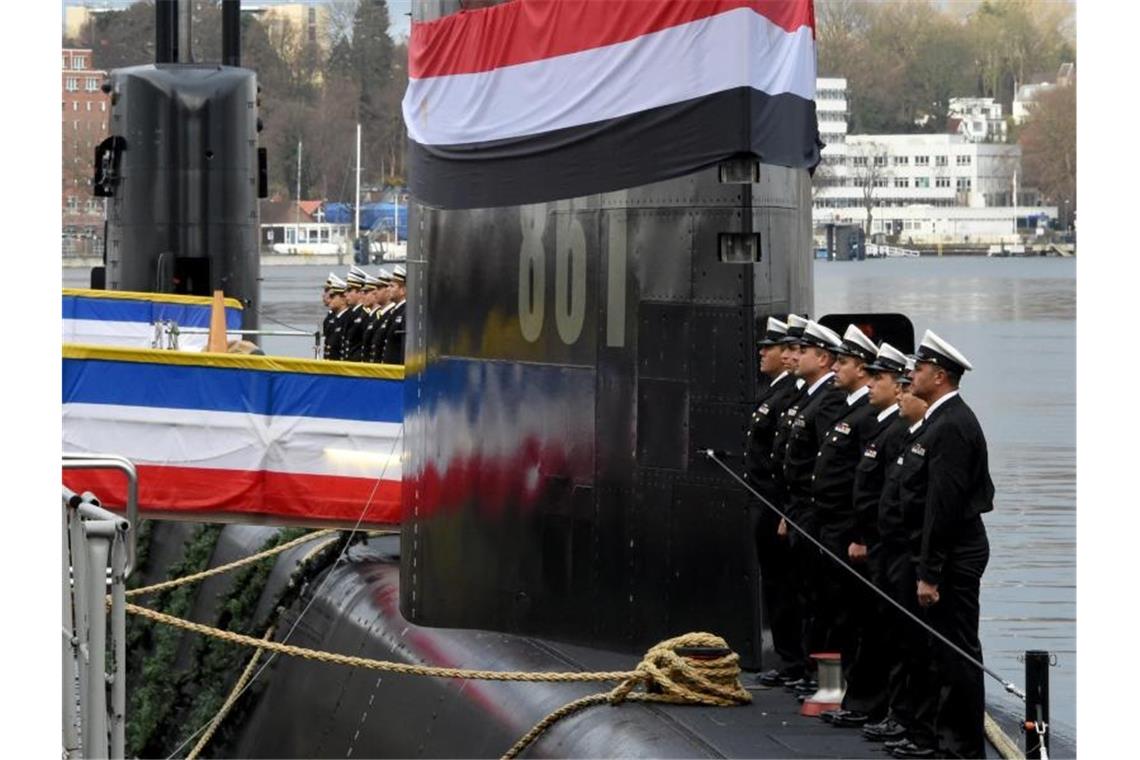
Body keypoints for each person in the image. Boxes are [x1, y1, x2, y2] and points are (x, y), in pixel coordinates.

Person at [889, 330, 993, 760]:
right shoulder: (937, 420)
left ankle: (960, 747)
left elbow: (942, 506)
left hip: (953, 555)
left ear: (941, 376)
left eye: (919, 368)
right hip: (940, 552)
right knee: (935, 651)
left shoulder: (951, 425)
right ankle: (936, 737)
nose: (911, 373)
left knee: (955, 652)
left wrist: (930, 572)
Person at [826, 341, 912, 729]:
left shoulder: (892, 431)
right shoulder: (879, 426)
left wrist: (864, 536)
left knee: (875, 627)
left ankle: (877, 706)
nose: (872, 385)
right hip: (862, 540)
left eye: (881, 378)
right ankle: (851, 698)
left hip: (879, 546)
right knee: (847, 617)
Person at [809, 324, 880, 720]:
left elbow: (864, 483)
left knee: (848, 615)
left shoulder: (864, 416)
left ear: (863, 369)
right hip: (828, 525)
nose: (836, 367)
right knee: (832, 609)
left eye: (844, 362)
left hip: (846, 532)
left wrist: (858, 535)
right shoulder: (853, 410)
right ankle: (835, 690)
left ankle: (847, 694)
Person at [780, 320, 848, 695]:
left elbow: (826, 466)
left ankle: (829, 687)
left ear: (821, 357)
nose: (795, 356)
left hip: (819, 517)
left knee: (827, 605)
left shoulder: (829, 401)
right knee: (811, 598)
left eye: (803, 350)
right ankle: (815, 679)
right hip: (805, 514)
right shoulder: (810, 397)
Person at [744, 317, 805, 687]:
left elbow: (788, 461)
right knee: (777, 583)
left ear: (787, 355)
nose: (761, 352)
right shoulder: (777, 394)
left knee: (785, 584)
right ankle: (791, 659)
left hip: (776, 506)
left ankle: (795, 661)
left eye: (769, 346)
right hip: (767, 505)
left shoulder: (789, 397)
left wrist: (783, 509)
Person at [379, 264, 407, 364]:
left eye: (392, 286)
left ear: (403, 290)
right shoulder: (395, 312)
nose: (387, 289)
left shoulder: (405, 313)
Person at [343, 265, 369, 361]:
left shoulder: (365, 314)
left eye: (349, 290)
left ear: (359, 292)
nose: (346, 294)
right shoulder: (351, 314)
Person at [322, 278, 350, 361]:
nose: (330, 299)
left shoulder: (348, 318)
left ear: (343, 299)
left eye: (333, 296)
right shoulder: (334, 319)